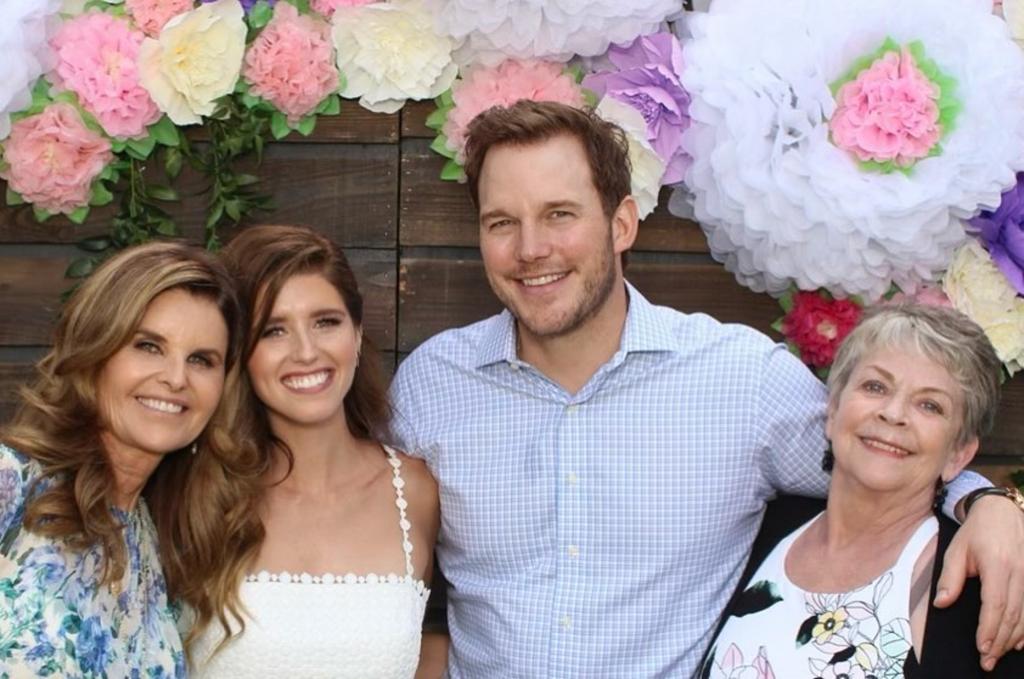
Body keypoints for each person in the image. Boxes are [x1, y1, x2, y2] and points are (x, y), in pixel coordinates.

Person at [388, 100, 1024, 677]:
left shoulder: (739, 378)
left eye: (560, 214)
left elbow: (874, 452)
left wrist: (989, 505)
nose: (531, 248)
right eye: (502, 222)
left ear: (622, 225)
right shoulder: (432, 386)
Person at [701, 304, 1024, 678]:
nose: (893, 412)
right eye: (876, 386)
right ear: (834, 410)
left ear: (958, 454)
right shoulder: (761, 525)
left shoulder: (982, 583)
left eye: (929, 405)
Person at [189, 225, 440, 678]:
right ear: (240, 353)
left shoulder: (418, 492)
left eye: (326, 322)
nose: (306, 352)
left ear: (357, 333)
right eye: (274, 331)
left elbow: (437, 640)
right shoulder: (195, 493)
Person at [0, 242, 254, 677]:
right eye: (148, 346)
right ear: (97, 351)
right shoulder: (13, 479)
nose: (176, 378)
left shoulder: (157, 537)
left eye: (201, 360)